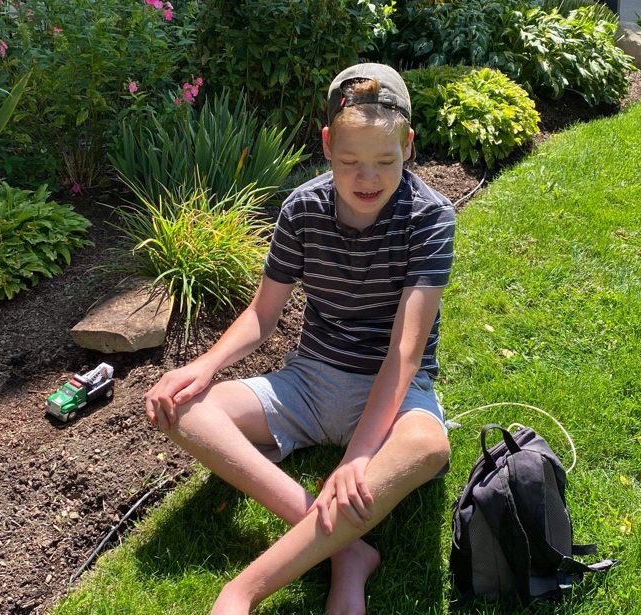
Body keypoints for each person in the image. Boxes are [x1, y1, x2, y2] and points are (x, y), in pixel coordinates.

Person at [144, 63, 456, 615]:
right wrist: (204, 366)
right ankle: (346, 549)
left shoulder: (431, 218)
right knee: (183, 409)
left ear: (408, 145)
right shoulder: (302, 208)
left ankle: (242, 590)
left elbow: (405, 352)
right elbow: (263, 315)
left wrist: (358, 456)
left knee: (428, 446)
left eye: (386, 161)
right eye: (350, 161)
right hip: (309, 382)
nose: (367, 178)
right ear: (327, 144)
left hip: (394, 390)